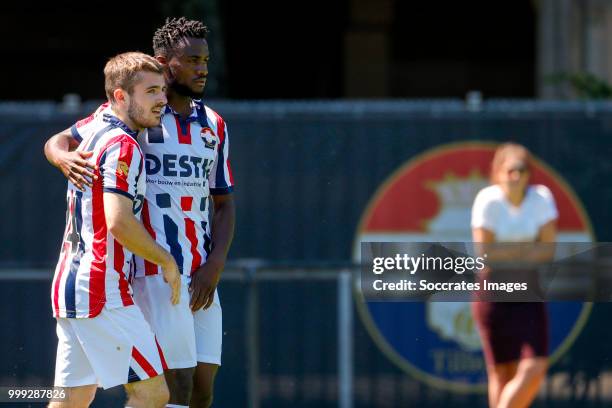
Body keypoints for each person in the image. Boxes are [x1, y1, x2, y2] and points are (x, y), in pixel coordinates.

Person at [45, 18, 235, 408]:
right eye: (193, 60)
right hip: (151, 273)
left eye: (206, 59)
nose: (203, 68)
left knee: (201, 389)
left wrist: (215, 263)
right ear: (166, 64)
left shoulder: (213, 123)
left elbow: (224, 202)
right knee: (164, 392)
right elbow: (64, 140)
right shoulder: (134, 118)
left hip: (200, 272)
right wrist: (60, 155)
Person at [49, 52, 181, 408]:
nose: (162, 100)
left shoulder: (96, 123)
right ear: (121, 97)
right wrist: (167, 261)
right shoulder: (123, 144)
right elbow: (119, 222)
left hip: (70, 285)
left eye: (163, 91)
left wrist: (58, 152)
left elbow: (55, 141)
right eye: (151, 92)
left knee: (72, 400)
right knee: (152, 395)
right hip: (101, 290)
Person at [471, 143, 558, 408]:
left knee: (535, 366)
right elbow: (486, 255)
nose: (516, 177)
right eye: (510, 171)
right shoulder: (487, 200)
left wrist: (506, 253)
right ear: (497, 173)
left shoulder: (542, 198)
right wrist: (527, 252)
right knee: (501, 373)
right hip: (493, 294)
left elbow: (548, 251)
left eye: (521, 170)